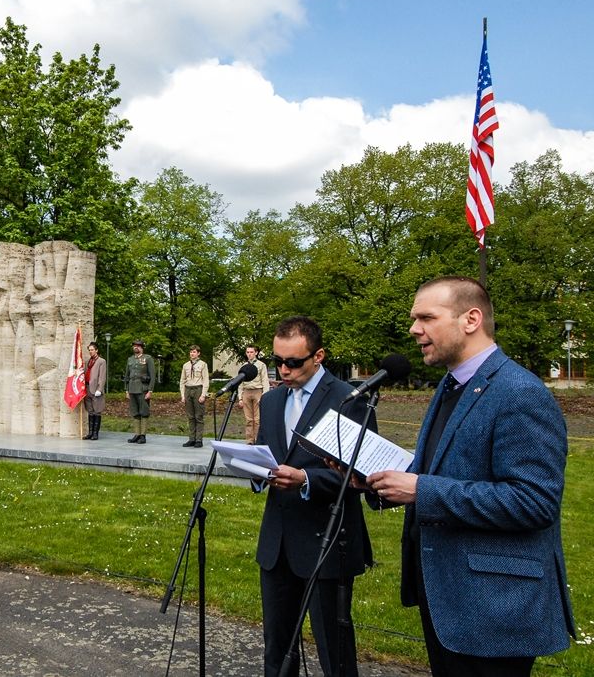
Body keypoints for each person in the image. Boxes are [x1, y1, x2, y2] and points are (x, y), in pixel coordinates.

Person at [366, 276, 575, 676]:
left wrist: (421, 489)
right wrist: (381, 481)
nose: (414, 329)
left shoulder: (519, 393)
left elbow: (535, 502)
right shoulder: (451, 384)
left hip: (495, 607)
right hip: (448, 597)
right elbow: (444, 469)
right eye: (414, 318)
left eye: (426, 317)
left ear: (471, 319)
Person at [254, 316, 374, 677]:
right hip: (277, 544)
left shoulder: (349, 399)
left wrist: (306, 479)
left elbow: (361, 473)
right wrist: (255, 471)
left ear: (318, 356)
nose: (283, 370)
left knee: (333, 651)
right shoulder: (272, 401)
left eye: (293, 362)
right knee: (277, 646)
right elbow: (267, 453)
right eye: (278, 361)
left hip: (326, 541)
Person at [122, 339, 155, 444]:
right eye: (134, 346)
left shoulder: (148, 359)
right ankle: (137, 434)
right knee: (135, 412)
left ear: (142, 347)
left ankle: (143, 435)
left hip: (143, 388)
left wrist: (150, 390)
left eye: (138, 346)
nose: (136, 347)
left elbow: (153, 375)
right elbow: (127, 375)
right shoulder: (130, 359)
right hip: (132, 388)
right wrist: (126, 389)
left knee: (144, 412)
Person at [238, 344, 270, 443]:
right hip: (246, 392)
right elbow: (240, 382)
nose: (249, 354)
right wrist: (240, 397)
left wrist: (265, 395)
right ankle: (249, 440)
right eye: (248, 352)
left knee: (257, 419)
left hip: (258, 391)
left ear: (256, 353)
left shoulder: (261, 365)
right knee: (248, 419)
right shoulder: (244, 366)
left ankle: (258, 439)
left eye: (251, 352)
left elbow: (265, 380)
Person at [179, 345, 209, 447]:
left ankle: (199, 440)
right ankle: (191, 438)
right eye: (191, 352)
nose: (192, 354)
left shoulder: (203, 364)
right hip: (188, 389)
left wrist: (203, 394)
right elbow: (182, 381)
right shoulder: (185, 365)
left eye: (194, 352)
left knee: (198, 416)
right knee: (190, 416)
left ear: (198, 353)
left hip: (198, 389)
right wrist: (183, 395)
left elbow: (205, 380)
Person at [82, 341, 107, 440]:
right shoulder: (88, 361)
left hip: (96, 389)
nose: (91, 352)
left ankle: (96, 433)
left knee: (97, 411)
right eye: (89, 350)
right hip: (87, 388)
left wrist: (100, 389)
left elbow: (102, 376)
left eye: (92, 350)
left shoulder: (101, 361)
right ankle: (90, 432)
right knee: (90, 411)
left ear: (96, 350)